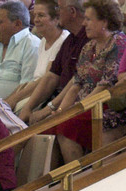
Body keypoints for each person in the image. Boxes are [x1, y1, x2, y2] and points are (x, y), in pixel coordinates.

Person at [46, 0, 125, 164]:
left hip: (103, 104)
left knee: (67, 126)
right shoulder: (88, 47)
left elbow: (105, 85)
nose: (84, 23)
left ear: (104, 22)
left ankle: (77, 175)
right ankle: (53, 178)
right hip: (82, 104)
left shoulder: (118, 42)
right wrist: (61, 111)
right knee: (50, 126)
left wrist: (77, 110)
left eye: (89, 19)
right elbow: (76, 84)